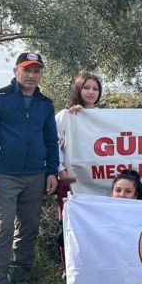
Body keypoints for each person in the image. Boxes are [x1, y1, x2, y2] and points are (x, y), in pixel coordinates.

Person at [0, 51, 59, 284]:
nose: (32, 75)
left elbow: (51, 141)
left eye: (36, 70)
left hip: (35, 176)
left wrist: (51, 171)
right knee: (4, 228)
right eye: (27, 69)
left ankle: (19, 278)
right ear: (15, 71)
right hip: (4, 175)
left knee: (29, 227)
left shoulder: (45, 104)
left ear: (41, 74)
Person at [53, 169, 142, 284]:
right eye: (118, 190)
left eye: (128, 191)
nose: (122, 195)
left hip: (126, 280)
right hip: (90, 277)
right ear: (111, 193)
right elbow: (61, 240)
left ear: (136, 195)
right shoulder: (93, 213)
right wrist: (68, 215)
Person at [55, 72, 102, 215]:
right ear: (78, 89)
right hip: (71, 179)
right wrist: (60, 170)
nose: (91, 92)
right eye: (86, 87)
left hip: (96, 179)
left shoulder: (103, 116)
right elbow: (52, 144)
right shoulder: (66, 115)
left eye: (95, 89)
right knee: (69, 219)